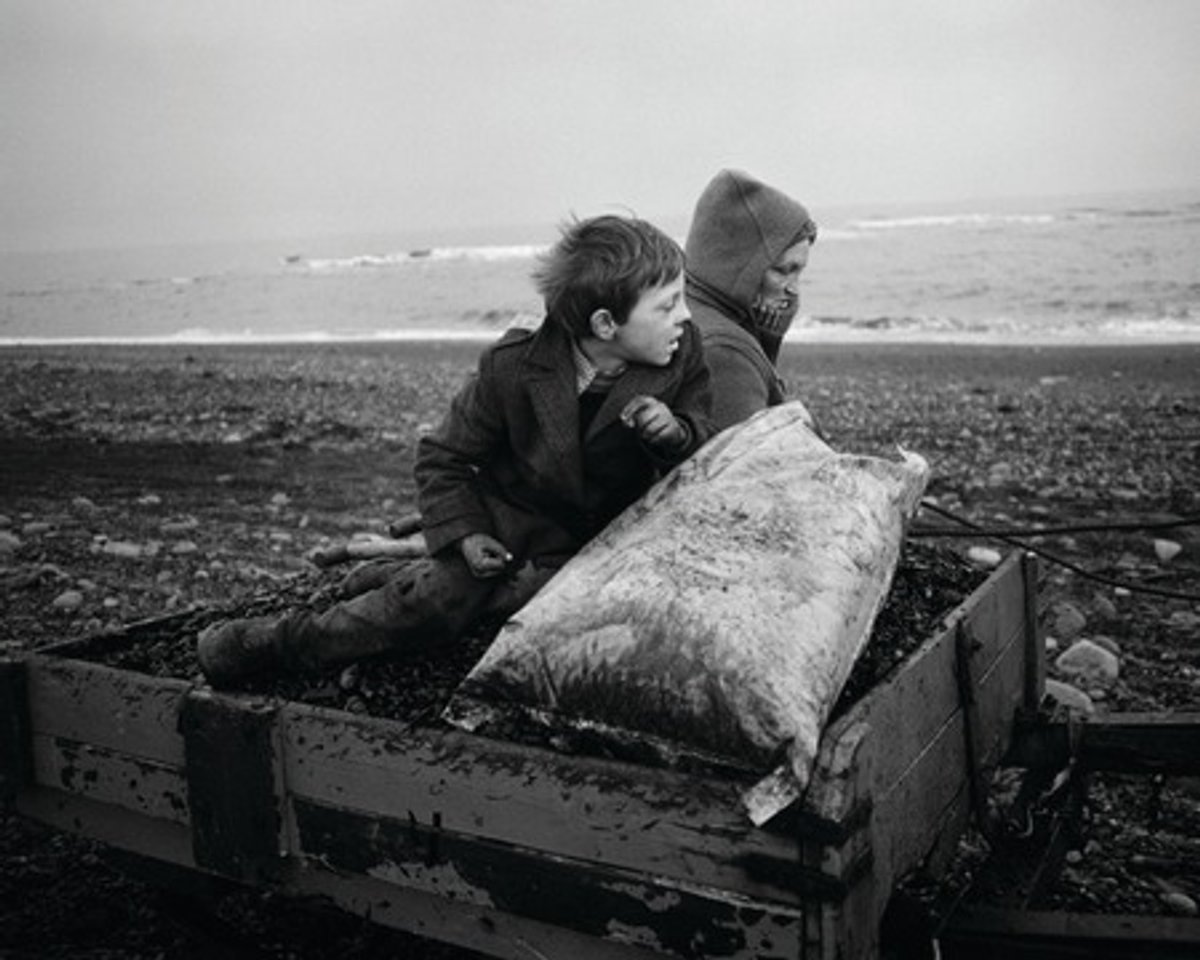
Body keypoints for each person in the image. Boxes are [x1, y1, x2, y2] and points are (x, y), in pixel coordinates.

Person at [196, 214, 713, 687]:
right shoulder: (512, 367)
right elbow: (443, 457)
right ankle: (275, 643)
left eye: (683, 298)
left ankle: (383, 579)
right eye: (668, 304)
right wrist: (465, 535)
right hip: (508, 529)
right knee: (432, 608)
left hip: (607, 543)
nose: (686, 317)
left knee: (545, 606)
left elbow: (704, 442)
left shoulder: (680, 354)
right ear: (605, 326)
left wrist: (673, 434)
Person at [684, 168, 819, 432]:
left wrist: (763, 336)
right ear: (739, 262)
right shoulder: (724, 350)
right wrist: (758, 341)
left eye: (799, 272)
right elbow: (754, 462)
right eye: (783, 270)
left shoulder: (690, 306)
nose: (793, 290)